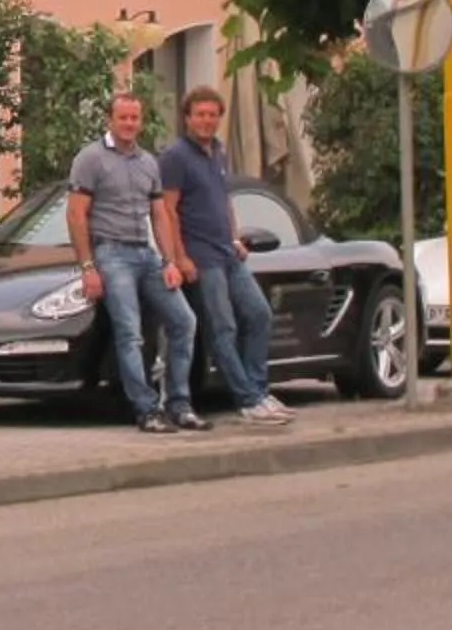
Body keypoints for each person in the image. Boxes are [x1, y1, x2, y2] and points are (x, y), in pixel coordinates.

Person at [68, 90, 205, 434]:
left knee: (184, 322)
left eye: (135, 118)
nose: (129, 124)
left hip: (147, 254)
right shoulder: (91, 159)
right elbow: (76, 214)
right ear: (110, 121)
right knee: (130, 333)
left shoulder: (148, 163)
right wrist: (88, 268)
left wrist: (170, 260)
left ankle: (179, 403)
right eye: (123, 118)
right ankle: (145, 409)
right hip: (111, 254)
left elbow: (159, 214)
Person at [159, 85, 288, 425]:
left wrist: (234, 238)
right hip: (201, 256)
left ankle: (259, 390)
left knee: (259, 314)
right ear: (187, 118)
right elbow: (167, 210)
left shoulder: (218, 150)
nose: (206, 121)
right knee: (223, 328)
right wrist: (180, 257)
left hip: (226, 253)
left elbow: (224, 199)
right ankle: (246, 399)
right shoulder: (175, 157)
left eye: (212, 115)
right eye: (199, 114)